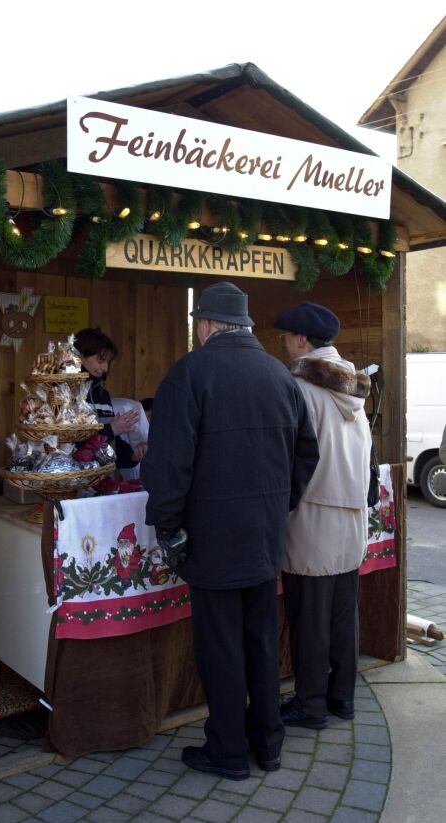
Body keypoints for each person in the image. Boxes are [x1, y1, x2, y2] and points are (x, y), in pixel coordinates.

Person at [141, 282, 319, 781]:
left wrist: (169, 528)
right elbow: (307, 454)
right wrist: (279, 505)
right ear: (244, 325)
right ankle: (269, 744)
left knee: (220, 646)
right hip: (264, 536)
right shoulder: (281, 378)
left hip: (211, 539)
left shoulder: (190, 373)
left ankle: (228, 751)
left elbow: (168, 464)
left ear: (205, 325)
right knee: (261, 640)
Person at [274, 301, 372, 730]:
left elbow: (292, 459)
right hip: (351, 514)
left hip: (313, 513)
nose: (281, 344)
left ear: (301, 340)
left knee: (309, 617)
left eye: (284, 337)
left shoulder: (299, 387)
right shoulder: (352, 386)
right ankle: (341, 699)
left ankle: (310, 705)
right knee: (341, 615)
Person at [74, 328, 147, 468]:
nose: (106, 368)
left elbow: (110, 444)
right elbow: (68, 444)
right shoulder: (62, 394)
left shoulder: (102, 393)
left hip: (102, 483)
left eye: (109, 362)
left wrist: (131, 455)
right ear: (81, 357)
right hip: (72, 484)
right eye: (101, 361)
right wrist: (111, 429)